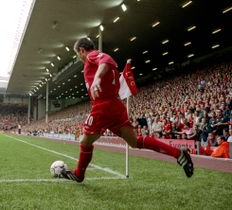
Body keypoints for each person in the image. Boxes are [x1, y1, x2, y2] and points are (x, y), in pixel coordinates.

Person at [61, 37, 194, 182]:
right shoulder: (93, 61)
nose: (79, 58)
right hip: (115, 106)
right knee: (135, 142)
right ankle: (178, 154)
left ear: (81, 50)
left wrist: (98, 78)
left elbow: (105, 59)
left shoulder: (92, 55)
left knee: (85, 142)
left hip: (103, 106)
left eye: (78, 54)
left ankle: (79, 174)